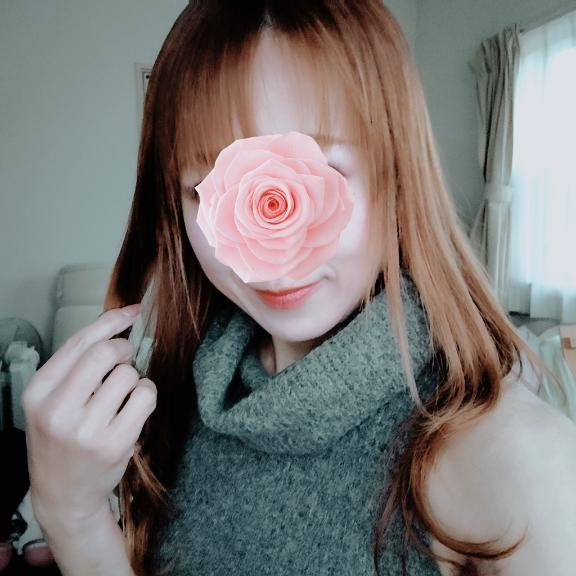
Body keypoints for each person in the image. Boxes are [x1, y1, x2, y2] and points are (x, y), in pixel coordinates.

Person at [21, 1, 576, 575]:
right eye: (211, 187)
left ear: (397, 172)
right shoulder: (183, 391)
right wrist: (73, 514)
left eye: (323, 171)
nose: (274, 257)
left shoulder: (509, 461)